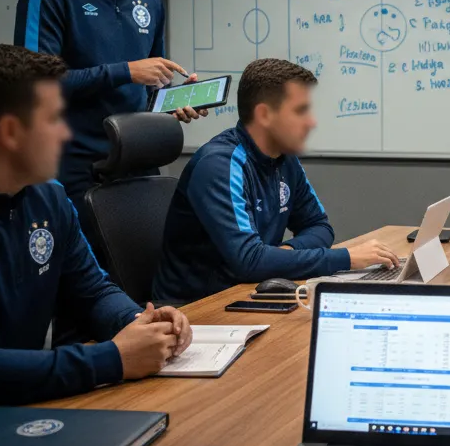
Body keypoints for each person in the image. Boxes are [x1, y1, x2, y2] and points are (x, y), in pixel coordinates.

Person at [0, 44, 192, 414]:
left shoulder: (50, 199)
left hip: (16, 411)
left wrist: (141, 322)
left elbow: (92, 291)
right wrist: (112, 359)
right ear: (9, 132)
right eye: (54, 120)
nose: (66, 135)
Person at [13, 0, 204, 220]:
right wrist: (125, 71)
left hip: (138, 165)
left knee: (146, 272)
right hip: (71, 172)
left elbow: (147, 92)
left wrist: (172, 102)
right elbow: (33, 86)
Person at [153, 59, 400, 306]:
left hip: (252, 290)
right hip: (198, 309)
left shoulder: (284, 157)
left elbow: (319, 226)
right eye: (300, 111)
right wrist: (346, 258)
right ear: (265, 115)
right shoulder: (219, 165)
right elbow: (250, 261)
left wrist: (284, 254)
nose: (311, 121)